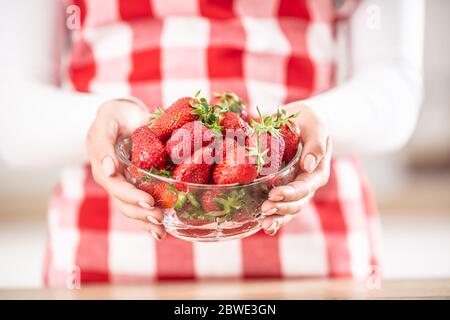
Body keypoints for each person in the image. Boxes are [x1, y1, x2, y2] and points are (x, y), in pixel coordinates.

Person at [0, 0, 424, 286]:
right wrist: (102, 125)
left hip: (312, 265)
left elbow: (396, 86)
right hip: (104, 269)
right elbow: (12, 112)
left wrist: (318, 122)